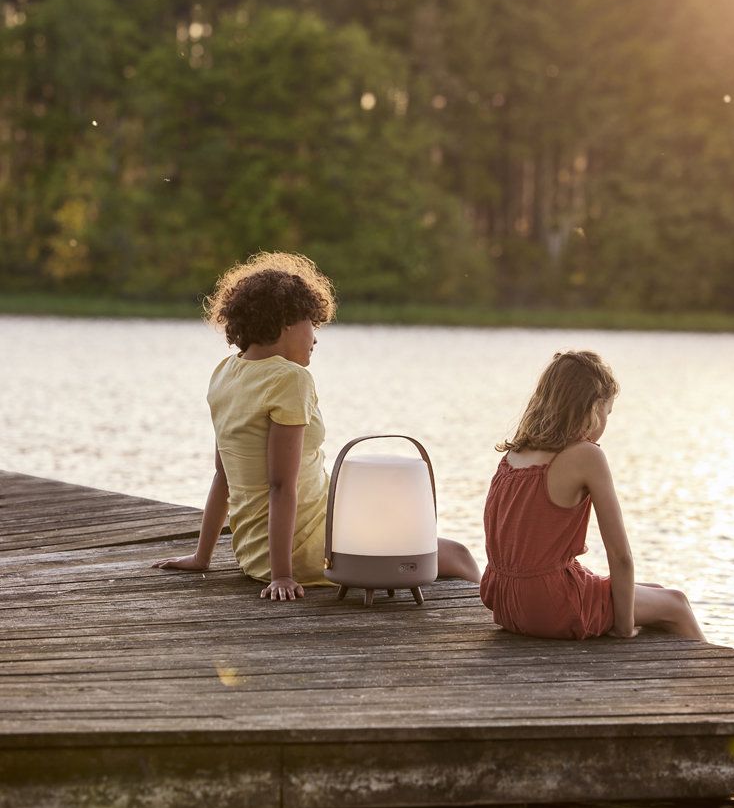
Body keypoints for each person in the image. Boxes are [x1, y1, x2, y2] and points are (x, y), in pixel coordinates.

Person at [153, 251, 479, 599]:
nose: (316, 337)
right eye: (312, 323)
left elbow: (223, 475)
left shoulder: (226, 373)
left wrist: (202, 558)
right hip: (308, 550)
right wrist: (282, 575)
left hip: (253, 554)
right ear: (286, 322)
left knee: (388, 522)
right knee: (456, 553)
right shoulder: (290, 379)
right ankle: (490, 606)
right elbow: (281, 485)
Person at [480, 349, 705, 641]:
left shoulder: (516, 452)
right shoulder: (585, 455)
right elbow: (620, 555)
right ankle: (714, 678)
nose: (606, 422)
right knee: (676, 603)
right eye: (608, 412)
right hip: (549, 604)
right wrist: (623, 628)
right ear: (594, 407)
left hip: (504, 599)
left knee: (657, 592)